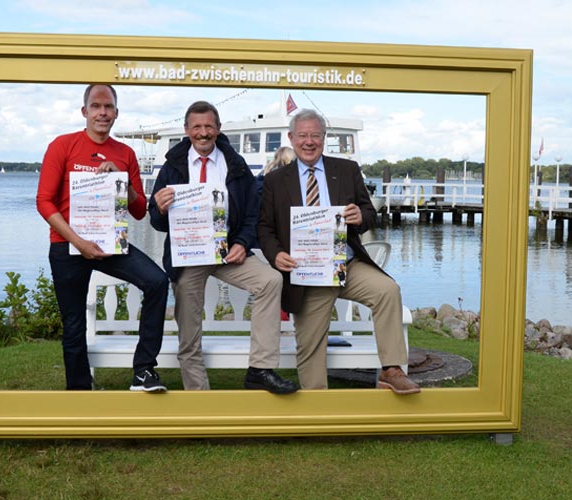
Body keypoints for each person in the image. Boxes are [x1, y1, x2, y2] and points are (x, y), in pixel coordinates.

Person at [257, 108, 421, 394]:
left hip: (346, 265)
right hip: (306, 273)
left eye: (315, 136)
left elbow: (370, 213)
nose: (309, 142)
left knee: (387, 290)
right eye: (303, 136)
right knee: (309, 348)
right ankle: (317, 409)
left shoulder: (346, 170)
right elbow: (264, 228)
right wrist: (275, 254)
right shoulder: (275, 180)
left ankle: (391, 369)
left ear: (324, 138)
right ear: (291, 138)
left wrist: (361, 216)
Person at [149, 100, 297, 394]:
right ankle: (199, 396)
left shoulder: (235, 164)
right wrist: (160, 209)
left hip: (227, 252)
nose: (203, 133)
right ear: (186, 130)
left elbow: (253, 213)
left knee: (270, 280)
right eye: (196, 127)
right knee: (189, 336)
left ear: (217, 128)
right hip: (188, 256)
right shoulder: (171, 168)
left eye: (208, 126)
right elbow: (156, 222)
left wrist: (242, 242)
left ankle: (261, 370)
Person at [36, 84, 169, 392]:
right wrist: (78, 242)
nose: (102, 112)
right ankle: (80, 393)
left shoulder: (125, 153)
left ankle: (144, 370)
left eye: (108, 107)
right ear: (85, 112)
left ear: (116, 113)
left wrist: (120, 181)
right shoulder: (63, 145)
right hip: (67, 244)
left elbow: (138, 210)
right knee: (73, 325)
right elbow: (44, 201)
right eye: (96, 106)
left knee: (157, 282)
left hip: (111, 243)